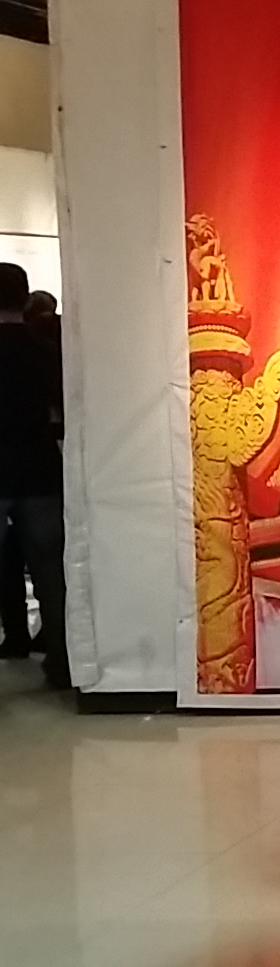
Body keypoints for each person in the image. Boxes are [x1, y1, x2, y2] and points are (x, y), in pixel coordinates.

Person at [0, 268, 63, 686]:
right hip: (39, 469)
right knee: (49, 571)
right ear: (24, 300)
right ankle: (61, 659)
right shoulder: (46, 350)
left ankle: (14, 636)